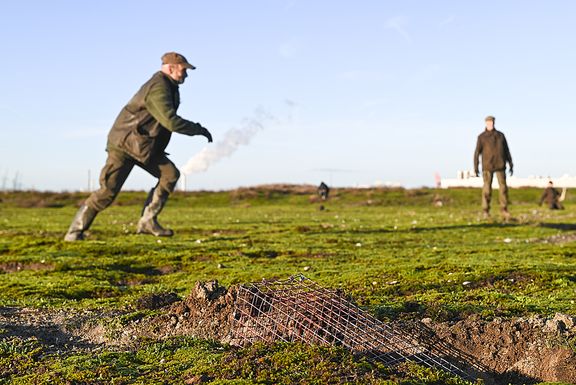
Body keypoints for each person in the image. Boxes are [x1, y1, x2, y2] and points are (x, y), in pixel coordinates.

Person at [64, 52, 213, 241]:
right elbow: (170, 121)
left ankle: (147, 221)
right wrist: (198, 129)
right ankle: (75, 232)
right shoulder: (158, 87)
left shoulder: (170, 86)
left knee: (170, 175)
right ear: (170, 68)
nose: (186, 74)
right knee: (108, 191)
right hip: (124, 146)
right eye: (183, 70)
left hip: (143, 147)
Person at [473, 115, 513, 219]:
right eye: (488, 122)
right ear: (485, 123)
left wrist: (511, 163)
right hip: (487, 165)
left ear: (494, 123)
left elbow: (506, 150)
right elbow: (477, 152)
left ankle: (504, 209)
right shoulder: (481, 137)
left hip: (500, 164)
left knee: (503, 188)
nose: (490, 124)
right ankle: (485, 210)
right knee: (487, 189)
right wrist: (476, 166)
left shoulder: (500, 136)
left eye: (491, 122)